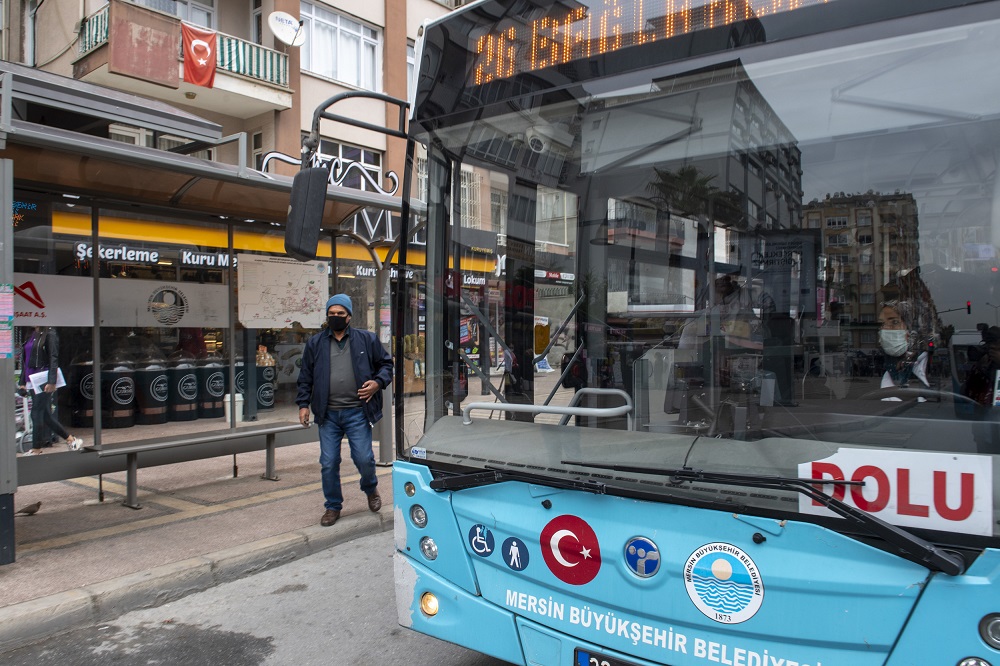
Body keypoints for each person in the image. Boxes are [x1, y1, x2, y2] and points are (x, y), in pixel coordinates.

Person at [296, 294, 393, 527]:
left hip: (357, 412)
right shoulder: (315, 343)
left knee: (364, 458)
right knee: (328, 462)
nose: (336, 317)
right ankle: (332, 506)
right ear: (327, 315)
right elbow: (305, 376)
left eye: (341, 314)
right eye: (332, 313)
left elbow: (387, 364)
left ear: (349, 316)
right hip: (328, 414)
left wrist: (378, 382)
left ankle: (370, 489)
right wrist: (303, 405)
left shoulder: (366, 339)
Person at [19, 326, 84, 455]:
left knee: (36, 413)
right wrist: (22, 382)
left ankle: (36, 448)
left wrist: (52, 381)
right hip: (31, 379)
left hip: (43, 378)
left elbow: (53, 358)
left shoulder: (50, 333)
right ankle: (71, 440)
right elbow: (25, 361)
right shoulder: (30, 334)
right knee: (46, 416)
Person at [877, 299, 933, 400]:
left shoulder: (927, 370)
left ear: (912, 331)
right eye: (882, 324)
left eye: (894, 322)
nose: (885, 329)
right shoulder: (888, 376)